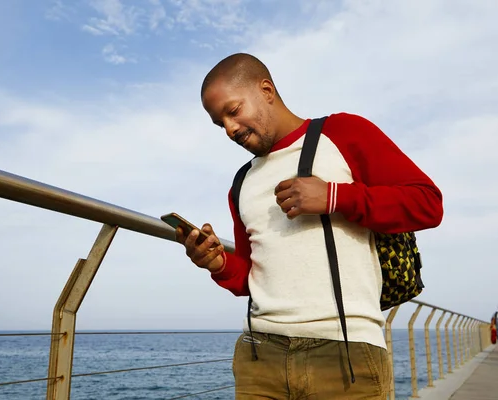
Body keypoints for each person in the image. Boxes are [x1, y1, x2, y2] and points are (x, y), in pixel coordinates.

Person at [176, 53, 443, 399]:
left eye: (234, 110)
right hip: (260, 356)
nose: (229, 129)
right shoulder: (241, 183)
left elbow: (427, 204)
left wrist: (335, 197)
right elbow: (251, 278)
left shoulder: (344, 133)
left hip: (345, 353)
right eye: (219, 123)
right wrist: (218, 264)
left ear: (266, 90)